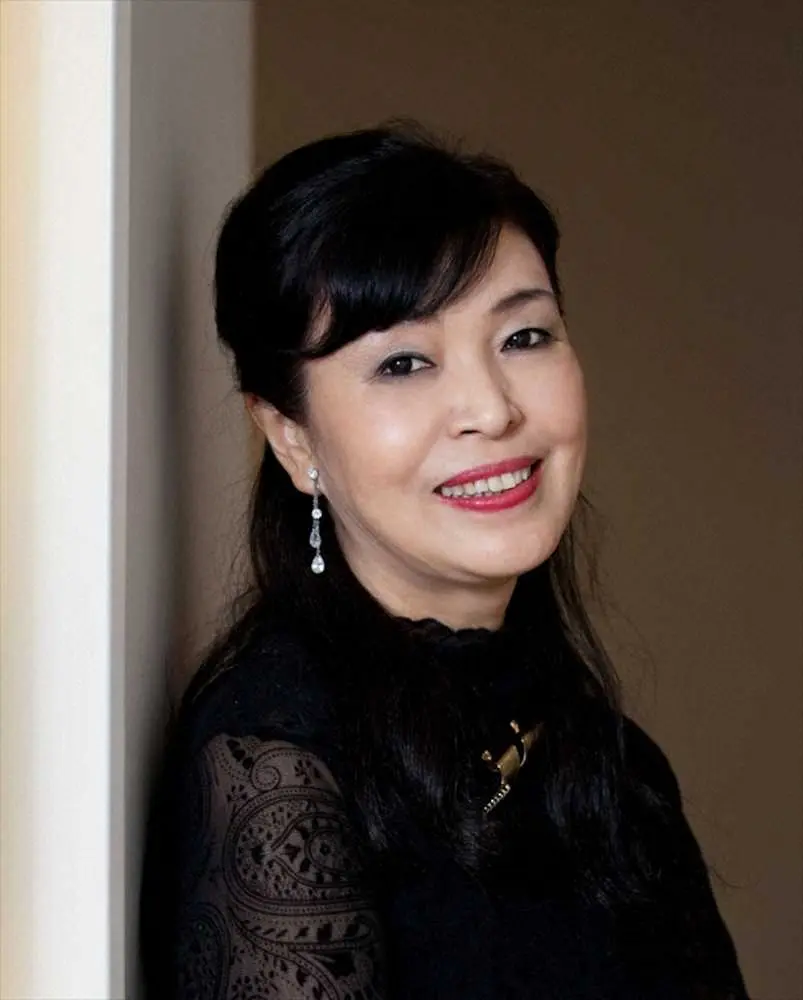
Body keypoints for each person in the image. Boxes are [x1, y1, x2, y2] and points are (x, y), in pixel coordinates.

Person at [139, 124, 749, 999]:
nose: (490, 411)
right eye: (403, 362)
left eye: (524, 337)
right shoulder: (276, 770)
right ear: (290, 436)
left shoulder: (604, 760)